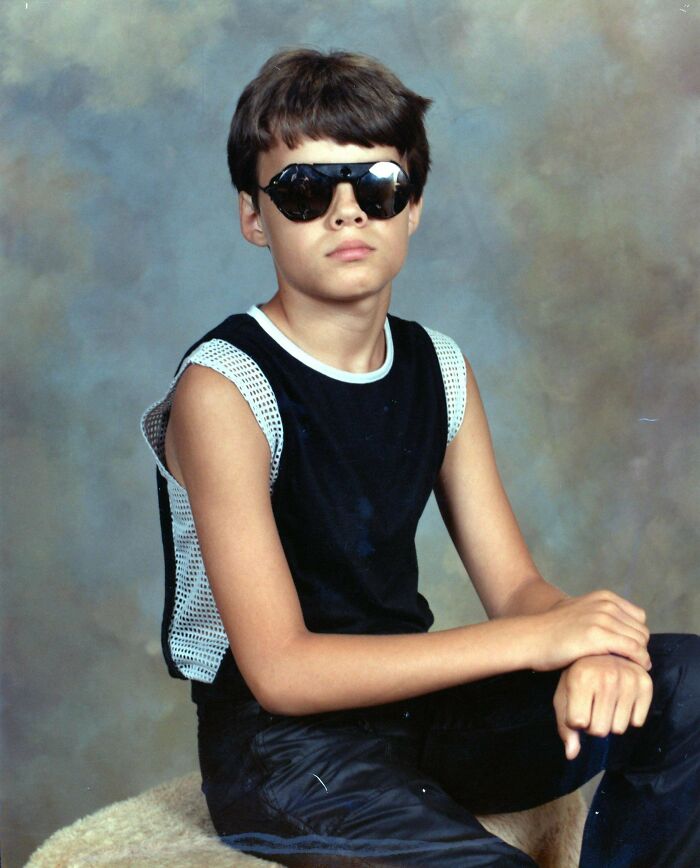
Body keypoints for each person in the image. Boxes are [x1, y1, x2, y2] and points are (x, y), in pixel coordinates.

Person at [141, 48, 699, 866]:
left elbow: (514, 589)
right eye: (304, 192)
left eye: (377, 188)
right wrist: (539, 644)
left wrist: (592, 644)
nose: (347, 214)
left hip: (424, 717)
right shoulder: (223, 389)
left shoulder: (439, 366)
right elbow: (282, 671)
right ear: (253, 217)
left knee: (682, 680)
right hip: (287, 755)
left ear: (413, 210)